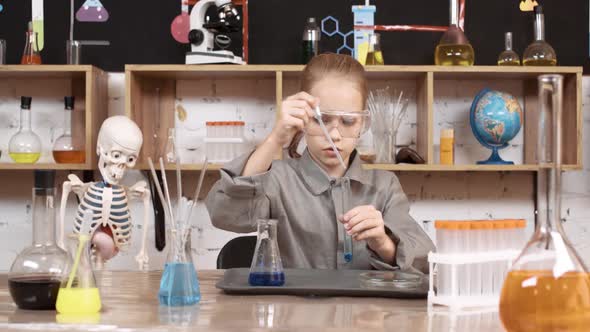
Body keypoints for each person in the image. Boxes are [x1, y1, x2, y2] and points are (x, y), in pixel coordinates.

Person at [206, 53, 434, 273]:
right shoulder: (277, 179)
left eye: (348, 121)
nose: (334, 135)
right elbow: (224, 214)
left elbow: (426, 262)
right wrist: (276, 138)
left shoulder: (384, 187)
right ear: (302, 120)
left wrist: (382, 242)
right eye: (321, 119)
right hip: (295, 311)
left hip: (367, 313)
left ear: (363, 123)